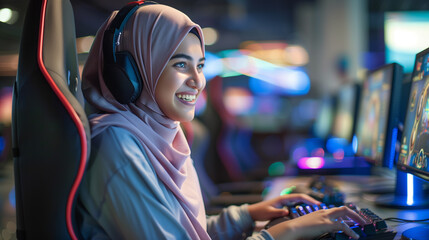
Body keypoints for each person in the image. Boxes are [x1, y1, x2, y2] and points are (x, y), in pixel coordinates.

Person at [78, 1, 365, 239]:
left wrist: (248, 214)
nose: (197, 81)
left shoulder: (164, 137)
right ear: (132, 73)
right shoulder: (118, 147)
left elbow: (191, 232)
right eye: (180, 64)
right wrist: (281, 233)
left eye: (200, 66)